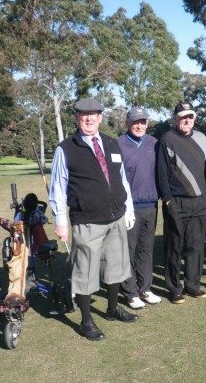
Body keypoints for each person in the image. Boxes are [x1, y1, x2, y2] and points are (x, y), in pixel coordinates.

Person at [49, 98, 137, 341]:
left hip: (115, 216)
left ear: (100, 117)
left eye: (94, 114)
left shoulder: (111, 143)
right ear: (77, 118)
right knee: (85, 272)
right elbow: (58, 187)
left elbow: (121, 179)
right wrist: (61, 221)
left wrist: (128, 208)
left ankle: (111, 309)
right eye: (84, 115)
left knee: (115, 266)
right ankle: (87, 321)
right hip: (86, 220)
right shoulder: (66, 148)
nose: (89, 119)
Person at [157, 102, 206, 304]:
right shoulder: (166, 139)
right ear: (176, 118)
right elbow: (162, 173)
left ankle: (192, 285)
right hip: (176, 202)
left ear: (194, 118)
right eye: (182, 116)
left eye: (190, 116)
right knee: (174, 246)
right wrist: (167, 199)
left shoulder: (201, 138)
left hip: (199, 201)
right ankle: (174, 288)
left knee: (196, 245)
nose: (187, 120)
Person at [117, 107, 161, 309]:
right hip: (129, 208)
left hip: (151, 205)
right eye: (135, 121)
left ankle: (145, 289)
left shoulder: (154, 143)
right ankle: (130, 291)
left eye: (143, 121)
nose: (139, 125)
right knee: (128, 250)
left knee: (146, 249)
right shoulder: (118, 144)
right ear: (127, 123)